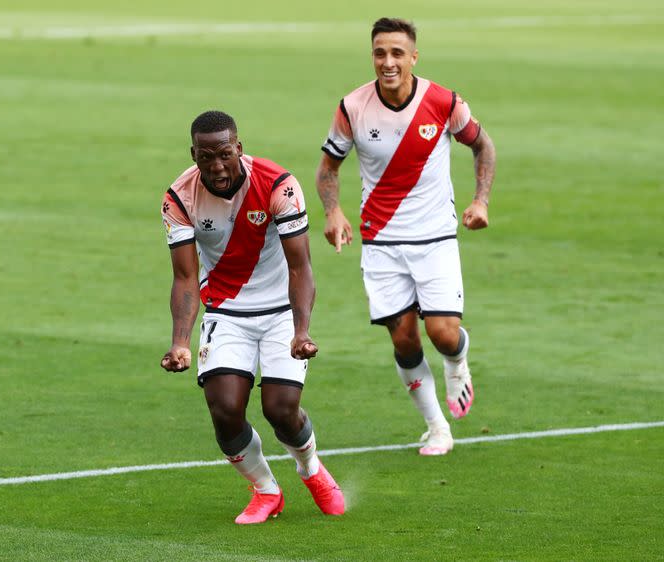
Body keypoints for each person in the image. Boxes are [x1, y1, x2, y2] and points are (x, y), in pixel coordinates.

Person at [315, 18, 496, 456]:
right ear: (372, 56)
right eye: (380, 53)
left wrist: (481, 201)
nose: (388, 62)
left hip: (434, 236)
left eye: (398, 53)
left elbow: (483, 145)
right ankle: (437, 427)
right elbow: (328, 168)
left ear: (414, 57)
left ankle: (457, 361)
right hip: (381, 241)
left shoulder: (443, 101)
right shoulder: (352, 107)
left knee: (442, 333)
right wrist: (334, 211)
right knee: (403, 339)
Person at [160, 110, 345, 524]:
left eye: (224, 154)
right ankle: (265, 490)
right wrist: (179, 342)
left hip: (281, 309)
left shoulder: (280, 185)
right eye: (205, 157)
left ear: (239, 149)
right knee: (224, 409)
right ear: (194, 154)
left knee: (281, 409)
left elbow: (301, 267)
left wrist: (302, 331)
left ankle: (311, 468)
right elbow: (186, 277)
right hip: (226, 311)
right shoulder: (179, 196)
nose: (217, 165)